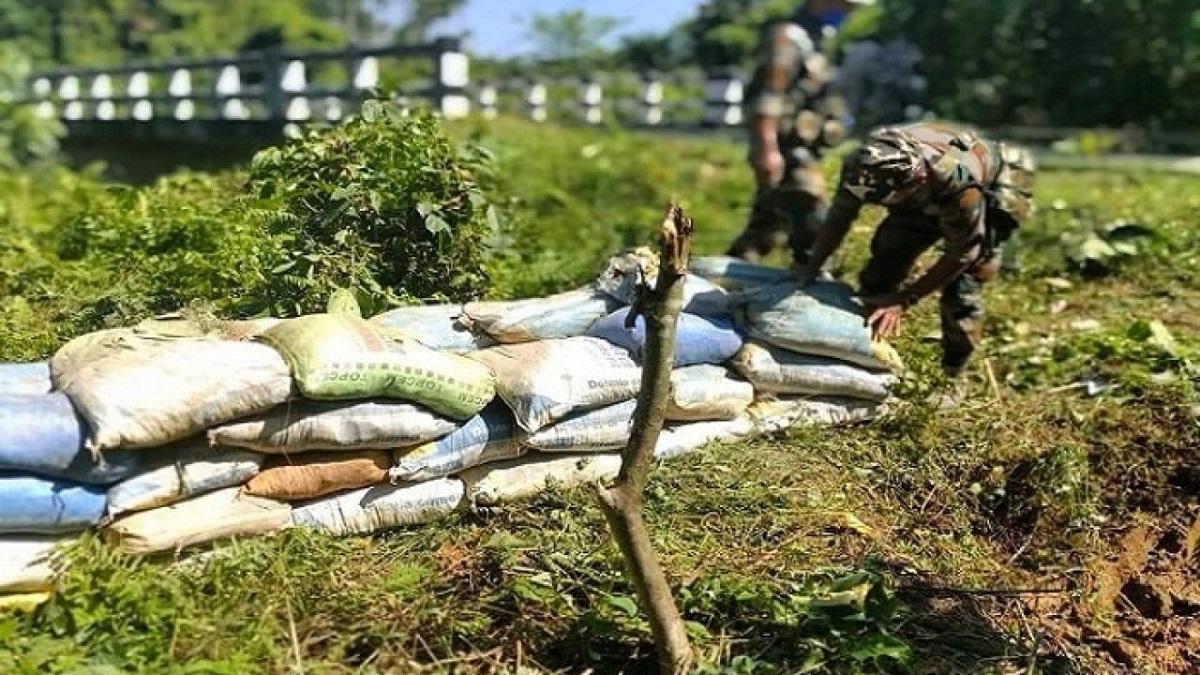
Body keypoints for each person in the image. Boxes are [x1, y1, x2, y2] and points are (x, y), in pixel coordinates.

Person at [793, 122, 1036, 378]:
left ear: (916, 181)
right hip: (922, 195)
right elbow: (839, 217)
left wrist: (905, 299)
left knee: (963, 290)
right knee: (886, 259)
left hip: (989, 186)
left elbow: (963, 253)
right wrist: (813, 266)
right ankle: (869, 348)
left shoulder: (958, 179)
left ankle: (953, 372)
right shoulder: (862, 167)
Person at [726, 0, 874, 264]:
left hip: (802, 149)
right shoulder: (788, 38)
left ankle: (722, 284)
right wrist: (766, 149)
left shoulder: (814, 41)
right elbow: (767, 97)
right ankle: (812, 283)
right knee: (816, 226)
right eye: (845, 6)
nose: (848, 14)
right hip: (786, 152)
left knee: (764, 230)